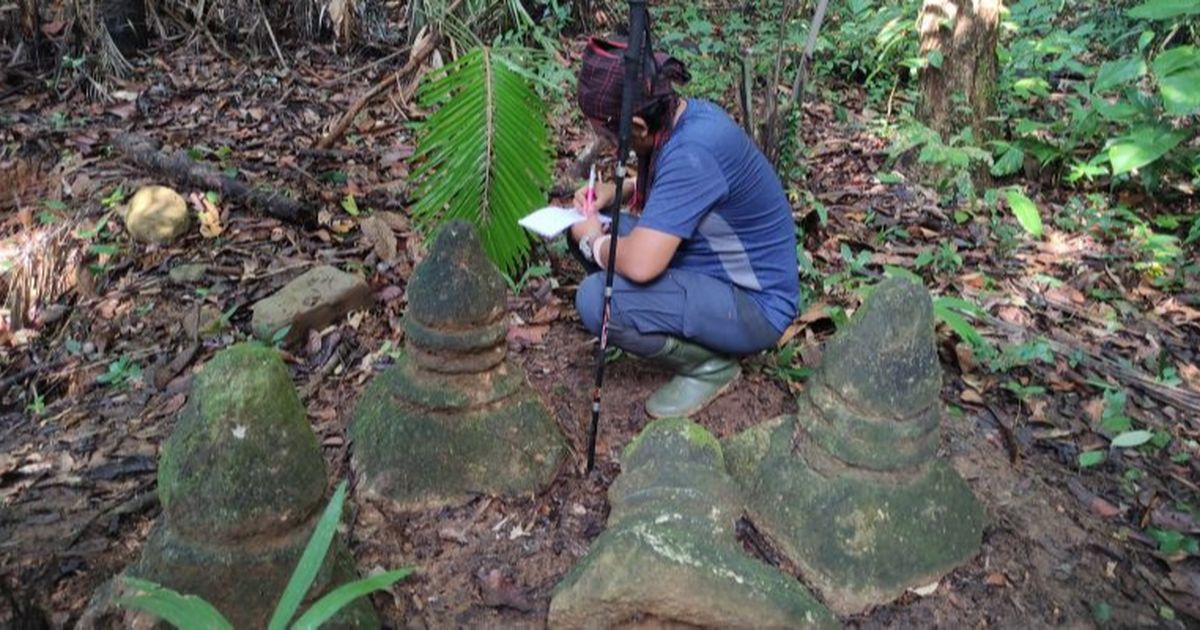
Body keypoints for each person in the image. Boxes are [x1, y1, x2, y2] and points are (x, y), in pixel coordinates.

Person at [568, 35, 799, 418]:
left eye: (610, 136)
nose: (608, 145)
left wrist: (595, 241)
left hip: (755, 302)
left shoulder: (694, 151)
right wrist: (615, 191)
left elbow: (642, 263)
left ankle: (708, 366)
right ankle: (679, 324)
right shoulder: (681, 119)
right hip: (710, 267)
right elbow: (680, 190)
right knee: (584, 229)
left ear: (638, 126)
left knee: (597, 300)